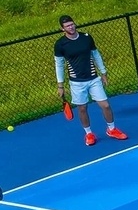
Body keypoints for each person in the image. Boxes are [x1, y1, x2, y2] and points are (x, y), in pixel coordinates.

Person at [53, 15, 127, 147]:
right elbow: (59, 65)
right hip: (76, 82)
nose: (71, 27)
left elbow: (96, 54)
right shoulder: (60, 44)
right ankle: (89, 133)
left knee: (105, 105)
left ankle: (112, 129)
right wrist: (60, 85)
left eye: (72, 24)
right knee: (82, 108)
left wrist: (103, 72)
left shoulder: (86, 38)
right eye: (67, 26)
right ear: (62, 29)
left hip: (94, 79)